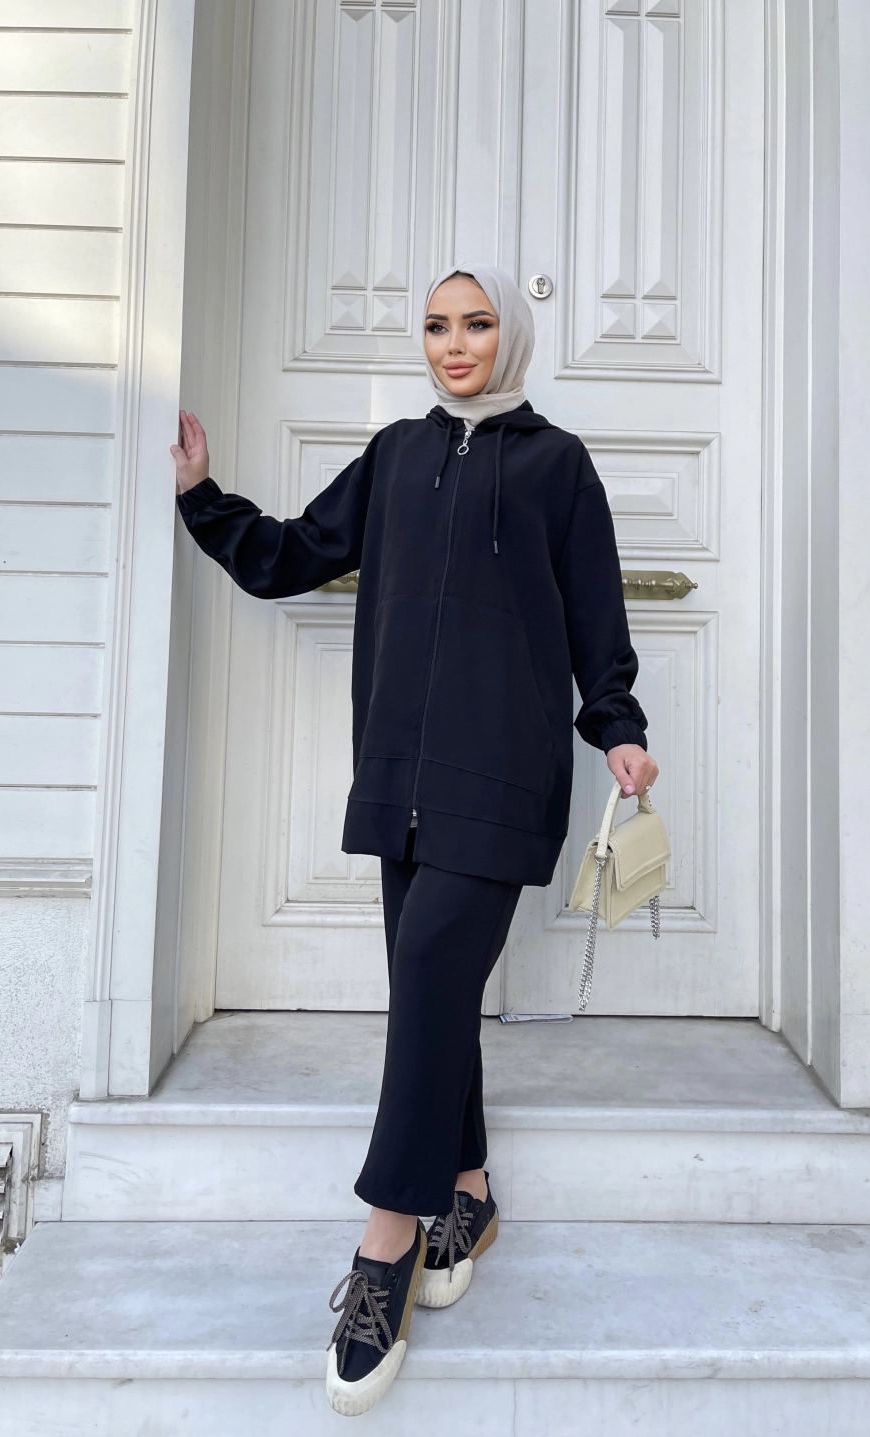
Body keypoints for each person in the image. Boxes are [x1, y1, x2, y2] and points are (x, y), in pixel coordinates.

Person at [172, 264, 658, 1417]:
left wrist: (619, 728)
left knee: (432, 970)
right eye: (437, 326)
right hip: (400, 774)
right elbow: (294, 553)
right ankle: (469, 1193)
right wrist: (201, 497)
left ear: (511, 335)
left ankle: (386, 1244)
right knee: (431, 986)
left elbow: (597, 618)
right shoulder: (394, 455)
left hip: (505, 771)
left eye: (476, 323)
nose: (454, 343)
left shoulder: (557, 466)